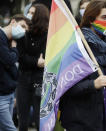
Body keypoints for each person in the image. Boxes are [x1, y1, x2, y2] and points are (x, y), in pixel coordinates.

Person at [59, 0, 106, 131]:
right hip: (81, 121)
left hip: (104, 119)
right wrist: (93, 84)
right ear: (91, 19)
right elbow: (66, 85)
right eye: (104, 17)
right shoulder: (77, 46)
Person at [16, 3, 49, 131]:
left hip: (39, 81)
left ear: (39, 16)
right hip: (23, 79)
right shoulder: (23, 32)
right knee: (22, 118)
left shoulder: (48, 35)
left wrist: (37, 62)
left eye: (32, 12)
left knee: (39, 117)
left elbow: (47, 59)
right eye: (28, 11)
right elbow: (20, 56)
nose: (28, 14)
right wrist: (36, 62)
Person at [0, 14, 29, 131]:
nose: (23, 31)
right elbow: (9, 59)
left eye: (25, 30)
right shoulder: (3, 38)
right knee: (10, 128)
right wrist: (14, 48)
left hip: (9, 93)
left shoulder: (10, 40)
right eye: (22, 26)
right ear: (12, 22)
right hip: (1, 96)